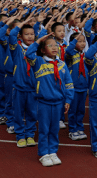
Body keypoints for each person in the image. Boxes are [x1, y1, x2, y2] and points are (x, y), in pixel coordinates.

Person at [26, 34, 74, 167]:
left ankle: (53, 151)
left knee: (54, 129)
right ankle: (43, 153)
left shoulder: (62, 64)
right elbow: (29, 54)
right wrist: (38, 41)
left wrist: (68, 100)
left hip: (58, 103)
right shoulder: (38, 62)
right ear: (42, 50)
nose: (54, 48)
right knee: (44, 129)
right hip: (43, 103)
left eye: (56, 45)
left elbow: (69, 84)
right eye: (50, 45)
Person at [9, 19, 38, 147]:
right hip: (19, 86)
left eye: (32, 34)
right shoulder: (16, 48)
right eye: (26, 34)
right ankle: (20, 135)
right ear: (20, 36)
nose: (30, 36)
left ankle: (30, 134)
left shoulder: (37, 49)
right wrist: (24, 21)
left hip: (33, 88)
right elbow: (11, 35)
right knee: (18, 112)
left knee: (32, 112)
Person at [64, 33, 89, 141]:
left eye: (84, 41)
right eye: (79, 41)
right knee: (72, 110)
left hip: (83, 87)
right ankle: (73, 130)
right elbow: (68, 50)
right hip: (73, 87)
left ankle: (80, 128)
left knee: (81, 110)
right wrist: (74, 40)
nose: (82, 43)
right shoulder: (70, 55)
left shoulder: (85, 56)